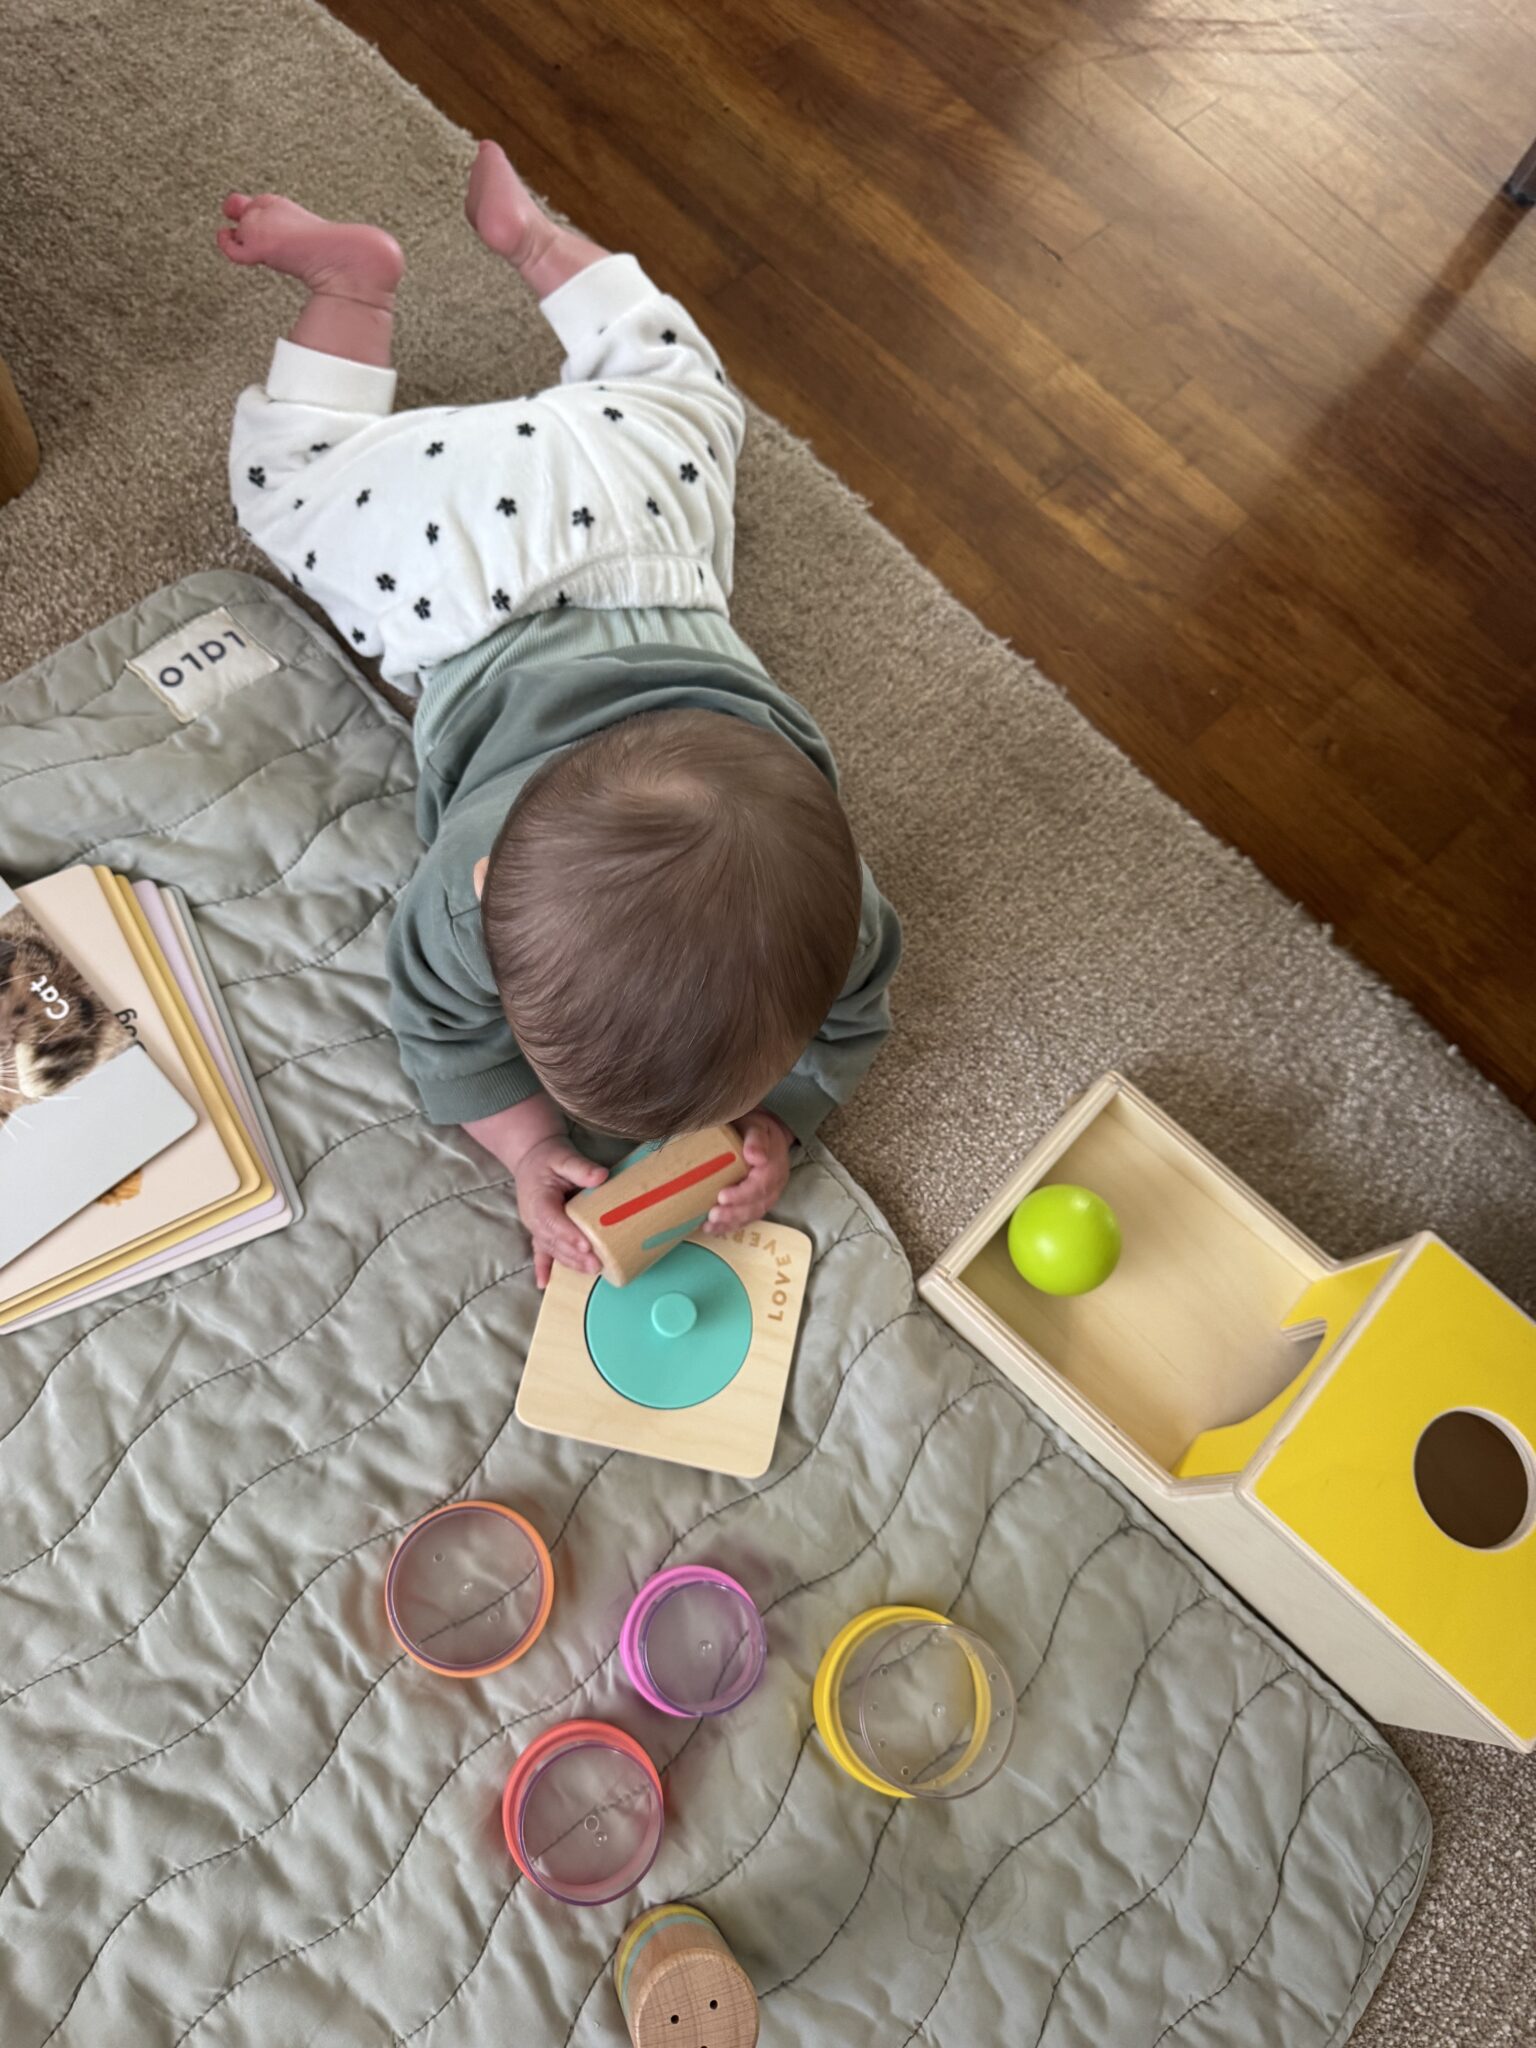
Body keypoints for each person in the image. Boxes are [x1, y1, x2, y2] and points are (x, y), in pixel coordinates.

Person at [222, 142, 900, 1285]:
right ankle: (356, 288)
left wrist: (773, 1120)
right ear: (483, 892)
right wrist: (529, 1141)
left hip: (633, 504)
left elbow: (847, 1004)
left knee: (683, 389)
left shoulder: (839, 906)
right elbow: (440, 1026)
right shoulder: (464, 896)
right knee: (288, 485)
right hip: (455, 560)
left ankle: (532, 243)